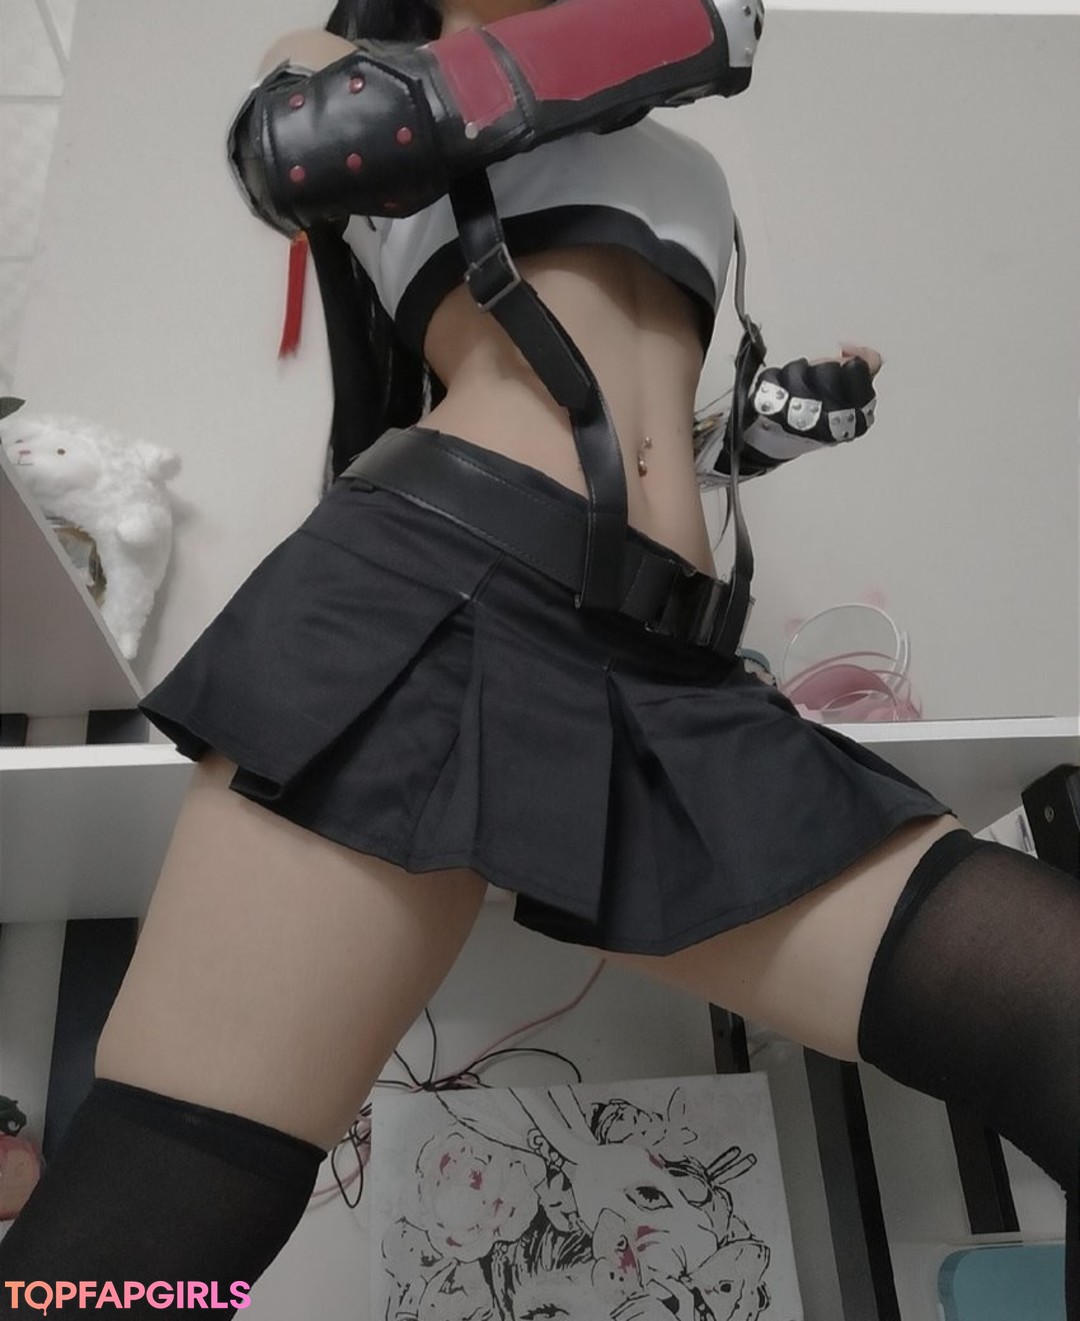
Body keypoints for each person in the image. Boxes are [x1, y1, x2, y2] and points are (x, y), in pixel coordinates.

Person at [0, 0, 1076, 1316]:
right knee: (155, 1226)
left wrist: (759, 434)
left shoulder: (676, 151)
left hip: (666, 671)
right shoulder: (349, 66)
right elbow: (300, 148)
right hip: (437, 595)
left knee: (1054, 1007)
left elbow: (627, 412)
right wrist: (672, 31)